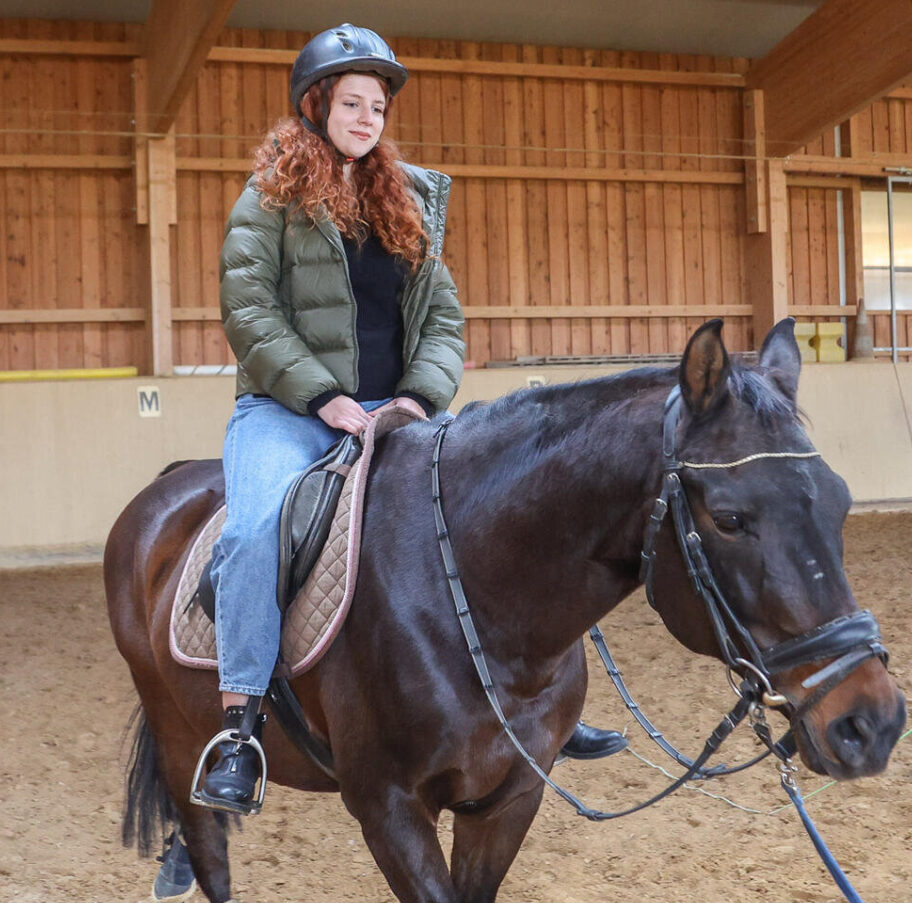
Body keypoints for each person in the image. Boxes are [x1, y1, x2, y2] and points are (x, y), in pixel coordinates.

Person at [198, 25, 625, 812]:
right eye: (353, 103)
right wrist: (321, 395)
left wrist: (417, 400)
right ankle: (239, 724)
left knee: (517, 507)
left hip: (400, 411)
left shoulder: (414, 199)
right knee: (256, 531)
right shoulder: (268, 201)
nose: (368, 118)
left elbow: (444, 324)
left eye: (379, 107)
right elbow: (248, 310)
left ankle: (547, 703)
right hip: (289, 412)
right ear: (315, 104)